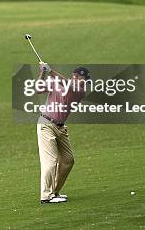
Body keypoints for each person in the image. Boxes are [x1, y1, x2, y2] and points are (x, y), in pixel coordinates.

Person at [35, 62, 89, 204]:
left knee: (68, 159)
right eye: (75, 76)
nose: (76, 79)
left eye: (80, 78)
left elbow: (68, 85)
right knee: (51, 161)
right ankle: (46, 196)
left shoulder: (79, 91)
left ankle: (55, 191)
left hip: (60, 128)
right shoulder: (58, 83)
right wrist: (42, 73)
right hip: (46, 124)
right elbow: (37, 89)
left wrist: (50, 70)